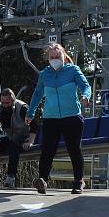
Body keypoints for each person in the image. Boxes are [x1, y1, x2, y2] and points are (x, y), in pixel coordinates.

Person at [26, 43, 91, 195]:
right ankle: (42, 179)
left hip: (72, 116)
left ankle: (78, 181)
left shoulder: (73, 70)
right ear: (48, 59)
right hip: (51, 117)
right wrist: (30, 113)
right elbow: (37, 95)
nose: (55, 59)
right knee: (47, 149)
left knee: (73, 149)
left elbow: (85, 86)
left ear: (63, 56)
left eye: (57, 57)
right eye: (52, 57)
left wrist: (86, 96)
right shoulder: (44, 74)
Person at [0, 88, 37, 189]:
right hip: (8, 136)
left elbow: (34, 125)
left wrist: (30, 141)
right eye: (3, 102)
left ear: (13, 101)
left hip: (23, 136)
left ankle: (11, 178)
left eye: (7, 103)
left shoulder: (22, 108)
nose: (5, 105)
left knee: (13, 146)